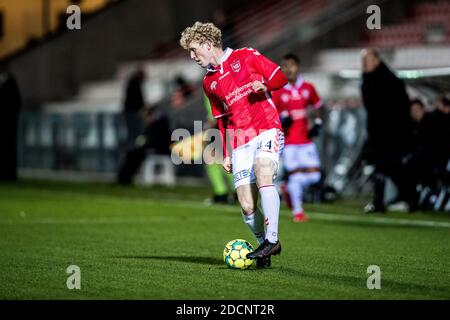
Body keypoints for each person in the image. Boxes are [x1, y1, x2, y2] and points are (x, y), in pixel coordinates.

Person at [179, 22, 288, 268]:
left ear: (209, 45)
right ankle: (265, 247)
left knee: (264, 173)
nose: (193, 57)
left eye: (195, 50)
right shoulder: (209, 83)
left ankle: (272, 240)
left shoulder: (246, 56)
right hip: (239, 141)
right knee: (247, 205)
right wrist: (226, 153)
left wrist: (266, 86)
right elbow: (222, 120)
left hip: (266, 128)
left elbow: (280, 76)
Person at [360, 48, 416, 213]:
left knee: (391, 168)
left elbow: (399, 109)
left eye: (367, 60)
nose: (364, 64)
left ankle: (407, 199)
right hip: (378, 134)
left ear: (377, 60)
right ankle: (388, 200)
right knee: (385, 168)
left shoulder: (389, 81)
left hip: (392, 135)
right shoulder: (369, 80)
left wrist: (398, 132)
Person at [272, 54, 323, 222]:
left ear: (298, 66)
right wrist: (281, 120)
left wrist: (317, 122)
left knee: (315, 176)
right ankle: (298, 212)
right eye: (284, 66)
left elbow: (318, 106)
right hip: (289, 143)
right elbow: (271, 115)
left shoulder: (308, 88)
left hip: (306, 141)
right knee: (295, 176)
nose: (287, 69)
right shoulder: (278, 91)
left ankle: (286, 188)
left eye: (291, 65)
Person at [117, 104, 171, 185]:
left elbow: (152, 139)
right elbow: (146, 138)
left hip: (161, 150)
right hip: (154, 148)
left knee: (135, 154)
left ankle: (125, 177)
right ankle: (124, 177)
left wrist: (142, 144)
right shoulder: (155, 124)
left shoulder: (159, 124)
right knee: (133, 153)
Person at [0, 66, 21, 181]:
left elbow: (16, 102)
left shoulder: (10, 83)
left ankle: (9, 174)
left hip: (9, 124)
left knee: (9, 149)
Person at [122, 67, 146, 150]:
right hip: (132, 112)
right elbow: (138, 100)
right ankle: (136, 149)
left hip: (130, 111)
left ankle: (134, 148)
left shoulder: (132, 82)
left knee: (133, 133)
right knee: (136, 132)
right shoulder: (135, 83)